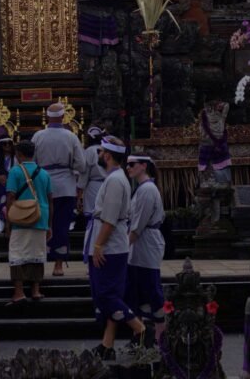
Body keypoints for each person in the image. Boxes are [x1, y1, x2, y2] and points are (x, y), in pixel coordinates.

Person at [85, 136, 147, 361]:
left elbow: (110, 218)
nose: (99, 155)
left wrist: (99, 244)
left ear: (108, 155)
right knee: (109, 294)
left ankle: (140, 329)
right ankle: (107, 344)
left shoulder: (114, 181)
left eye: (101, 152)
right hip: (111, 242)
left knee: (105, 295)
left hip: (109, 245)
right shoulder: (115, 178)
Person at [32, 102, 86, 277]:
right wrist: (71, 169)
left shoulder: (38, 136)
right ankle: (58, 265)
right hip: (65, 185)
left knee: (41, 224)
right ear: (63, 117)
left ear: (47, 117)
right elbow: (81, 164)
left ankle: (39, 262)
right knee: (62, 224)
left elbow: (30, 160)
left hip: (43, 183)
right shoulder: (70, 137)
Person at [5, 139, 52, 306]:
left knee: (17, 253)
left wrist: (8, 222)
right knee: (37, 253)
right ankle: (36, 289)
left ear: (19, 154)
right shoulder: (44, 173)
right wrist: (49, 224)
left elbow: (10, 196)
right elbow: (49, 198)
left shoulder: (15, 171)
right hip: (41, 216)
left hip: (21, 217)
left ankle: (19, 291)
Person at [126, 154, 165, 344]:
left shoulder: (147, 190)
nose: (128, 168)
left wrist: (125, 245)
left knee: (151, 287)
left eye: (132, 164)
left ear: (143, 166)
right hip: (140, 244)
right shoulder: (141, 189)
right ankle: (141, 335)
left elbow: (138, 224)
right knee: (138, 289)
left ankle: (160, 335)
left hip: (146, 242)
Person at [77, 125, 106, 230]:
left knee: (92, 214)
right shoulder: (106, 149)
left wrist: (79, 192)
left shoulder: (89, 151)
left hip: (93, 186)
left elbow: (84, 173)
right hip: (108, 184)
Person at [0, 136, 16, 235]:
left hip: (13, 183)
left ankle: (6, 220)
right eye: (4, 144)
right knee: (2, 192)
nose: (7, 146)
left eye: (9, 143)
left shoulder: (16, 157)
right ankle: (1, 219)